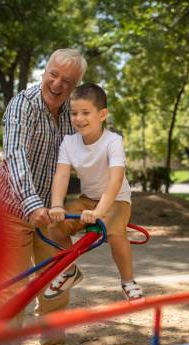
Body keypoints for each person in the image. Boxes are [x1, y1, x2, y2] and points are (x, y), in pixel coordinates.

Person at [0, 48, 87, 345]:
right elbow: (15, 156)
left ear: (76, 86)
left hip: (51, 212)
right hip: (12, 209)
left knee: (57, 278)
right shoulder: (23, 105)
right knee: (11, 289)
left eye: (67, 81)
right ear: (44, 71)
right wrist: (31, 204)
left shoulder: (75, 114)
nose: (58, 84)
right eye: (53, 74)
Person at [46, 83, 143, 302]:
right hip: (87, 200)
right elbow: (61, 175)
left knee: (115, 232)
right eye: (74, 113)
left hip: (116, 200)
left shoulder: (113, 141)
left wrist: (100, 211)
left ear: (102, 115)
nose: (78, 118)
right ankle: (69, 271)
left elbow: (116, 180)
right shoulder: (69, 142)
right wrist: (57, 205)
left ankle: (128, 281)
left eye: (85, 113)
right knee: (55, 228)